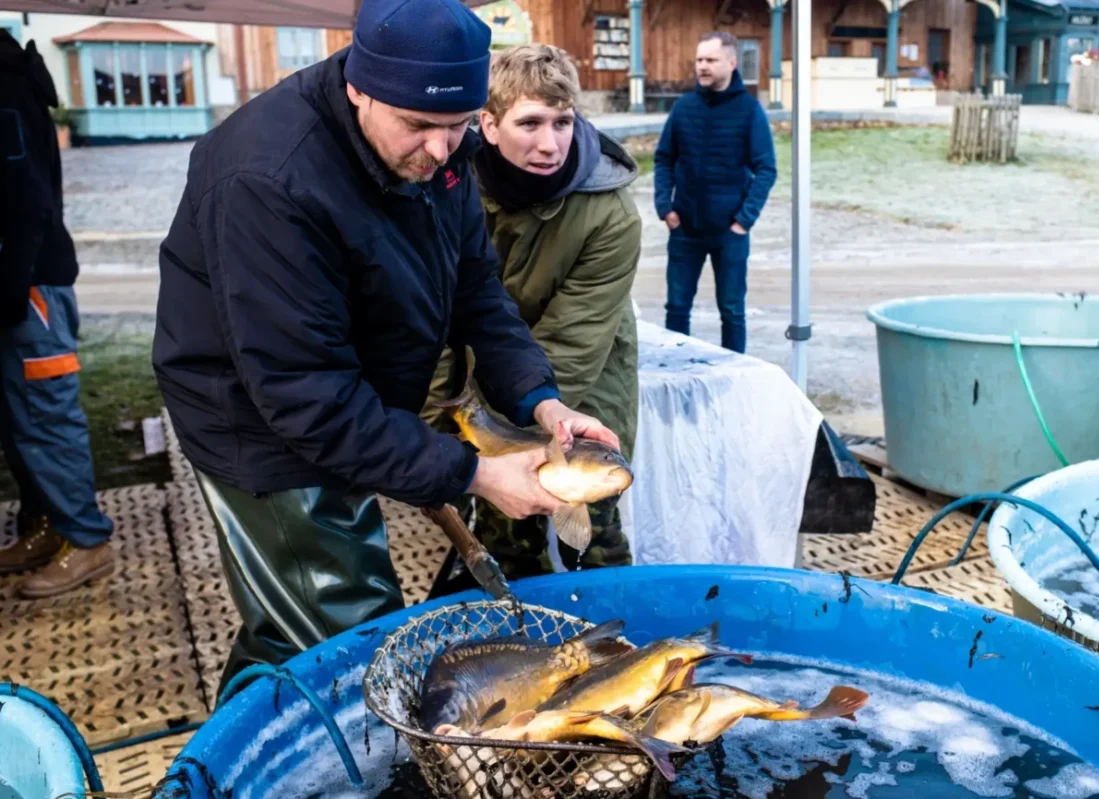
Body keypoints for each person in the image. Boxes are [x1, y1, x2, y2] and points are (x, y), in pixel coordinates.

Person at [151, 0, 620, 690]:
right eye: (419, 126)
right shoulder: (268, 177)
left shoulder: (447, 151)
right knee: (349, 627)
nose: (441, 149)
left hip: (346, 396)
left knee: (291, 629)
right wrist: (476, 473)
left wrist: (542, 401)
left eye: (460, 126)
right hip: (261, 423)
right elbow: (306, 395)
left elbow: (477, 294)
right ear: (359, 88)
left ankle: (237, 754)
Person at [425, 43, 640, 589]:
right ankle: (518, 626)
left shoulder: (611, 215)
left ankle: (617, 631)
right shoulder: (444, 186)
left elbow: (573, 344)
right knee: (504, 529)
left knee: (594, 526)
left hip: (578, 393)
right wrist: (437, 419)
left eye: (563, 122)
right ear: (488, 124)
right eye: (530, 123)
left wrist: (511, 437)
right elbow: (432, 311)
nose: (550, 143)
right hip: (477, 382)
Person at [0, 31, 116, 598]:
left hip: (27, 288)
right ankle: (45, 526)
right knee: (20, 420)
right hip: (18, 285)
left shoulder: (5, 89)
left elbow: (25, 202)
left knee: (47, 419)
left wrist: (9, 290)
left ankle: (88, 542)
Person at [653, 31, 777, 354]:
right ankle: (676, 373)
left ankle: (734, 378)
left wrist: (744, 222)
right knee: (677, 308)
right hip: (685, 229)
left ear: (732, 63)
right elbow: (664, 158)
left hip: (729, 232)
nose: (702, 67)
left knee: (732, 312)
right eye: (699, 60)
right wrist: (665, 207)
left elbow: (767, 169)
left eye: (711, 60)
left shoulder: (749, 111)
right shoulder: (683, 108)